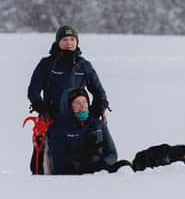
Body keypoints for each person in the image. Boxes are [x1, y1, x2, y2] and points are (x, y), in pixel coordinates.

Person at [26, 23, 109, 174]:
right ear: (58, 42)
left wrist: (97, 109)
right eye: (64, 40)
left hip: (78, 119)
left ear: (77, 42)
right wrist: (43, 108)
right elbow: (33, 91)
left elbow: (99, 93)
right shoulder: (46, 64)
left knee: (83, 155)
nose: (69, 43)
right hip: (52, 118)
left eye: (72, 39)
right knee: (41, 164)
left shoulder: (84, 65)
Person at [46, 88, 121, 175]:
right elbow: (58, 161)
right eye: (77, 103)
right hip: (74, 175)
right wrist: (83, 163)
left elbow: (112, 153)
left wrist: (103, 163)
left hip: (100, 172)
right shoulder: (58, 128)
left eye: (85, 102)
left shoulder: (97, 124)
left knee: (124, 165)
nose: (82, 106)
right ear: (68, 106)